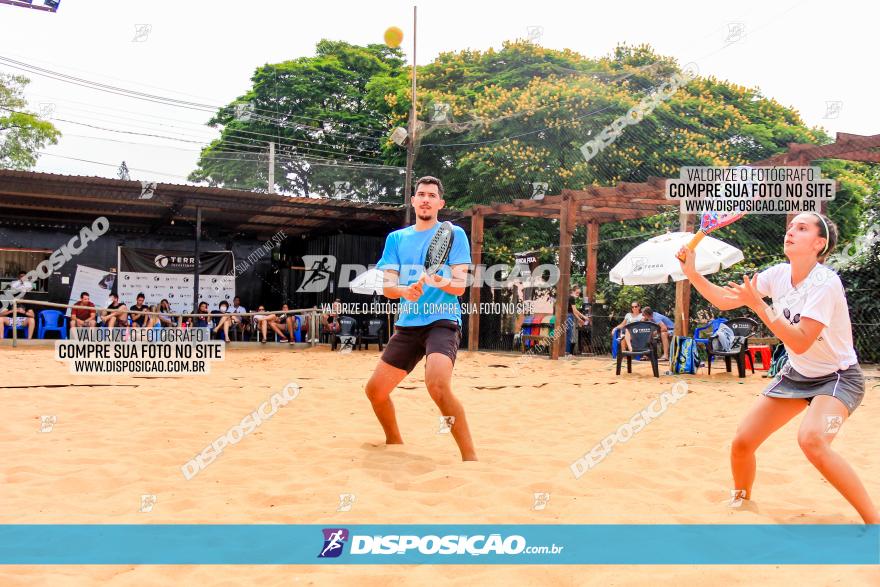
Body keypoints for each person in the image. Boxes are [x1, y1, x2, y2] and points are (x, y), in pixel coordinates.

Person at [678, 212, 878, 524]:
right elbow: (725, 300)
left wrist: (759, 304)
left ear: (819, 243)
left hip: (838, 379)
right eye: (790, 227)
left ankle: (874, 522)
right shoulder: (778, 274)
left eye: (802, 228)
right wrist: (692, 273)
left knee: (813, 440)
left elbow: (799, 342)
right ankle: (742, 502)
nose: (791, 232)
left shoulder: (825, 283)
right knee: (742, 442)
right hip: (798, 376)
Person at [364, 175, 477, 461]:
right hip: (408, 324)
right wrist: (406, 290)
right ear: (413, 200)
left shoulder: (455, 235)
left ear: (441, 203)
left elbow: (460, 286)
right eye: (421, 194)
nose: (426, 199)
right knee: (375, 392)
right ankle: (394, 443)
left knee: (437, 384)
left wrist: (439, 281)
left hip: (442, 320)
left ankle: (470, 459)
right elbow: (388, 288)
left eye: (431, 195)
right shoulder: (396, 239)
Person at [567, 285, 589, 355]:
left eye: (579, 293)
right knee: (568, 335)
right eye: (577, 292)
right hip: (568, 317)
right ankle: (567, 352)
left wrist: (579, 319)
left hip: (568, 315)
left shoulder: (569, 297)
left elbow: (573, 312)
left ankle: (565, 352)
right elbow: (575, 310)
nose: (578, 294)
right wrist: (583, 317)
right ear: (572, 291)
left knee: (567, 334)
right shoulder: (572, 298)